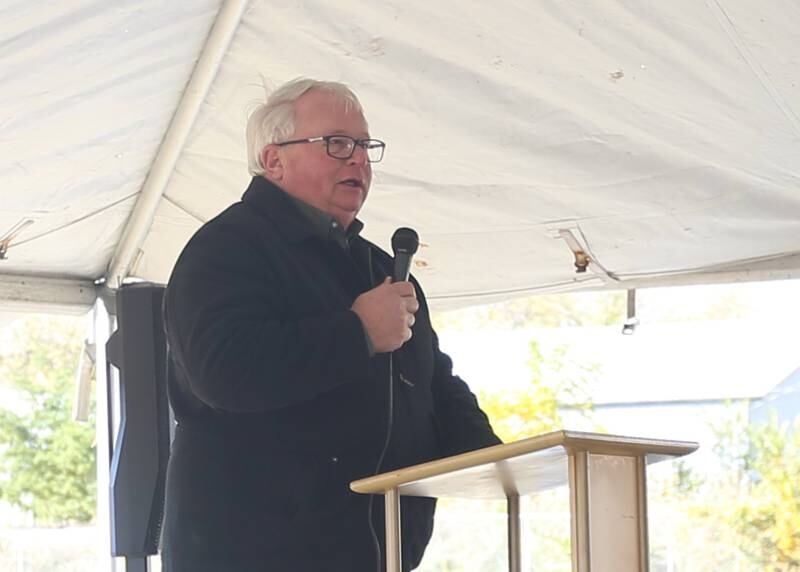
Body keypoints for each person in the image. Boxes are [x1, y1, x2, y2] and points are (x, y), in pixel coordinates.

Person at [161, 78, 500, 572]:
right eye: (337, 144)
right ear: (273, 160)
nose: (358, 160)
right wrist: (357, 331)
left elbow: (434, 387)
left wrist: (497, 463)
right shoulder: (226, 248)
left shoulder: (382, 270)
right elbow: (224, 372)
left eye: (365, 147)